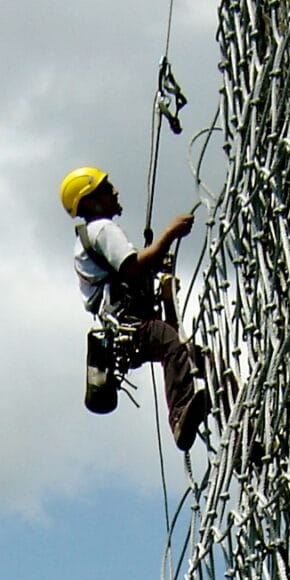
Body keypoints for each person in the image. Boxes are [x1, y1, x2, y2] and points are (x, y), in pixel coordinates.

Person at [60, 166, 209, 450]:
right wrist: (170, 234)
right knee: (173, 344)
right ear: (91, 200)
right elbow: (132, 267)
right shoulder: (101, 229)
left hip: (125, 335)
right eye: (106, 188)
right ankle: (180, 416)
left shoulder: (88, 237)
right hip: (133, 327)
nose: (115, 191)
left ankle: (247, 436)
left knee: (203, 362)